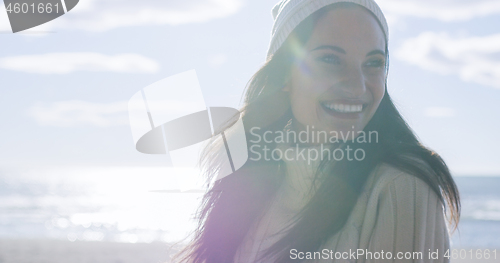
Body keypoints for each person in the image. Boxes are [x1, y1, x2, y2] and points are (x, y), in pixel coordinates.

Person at [175, 0, 460, 262]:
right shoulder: (253, 180)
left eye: (374, 63)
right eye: (331, 59)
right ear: (285, 73)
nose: (357, 86)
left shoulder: (401, 187)